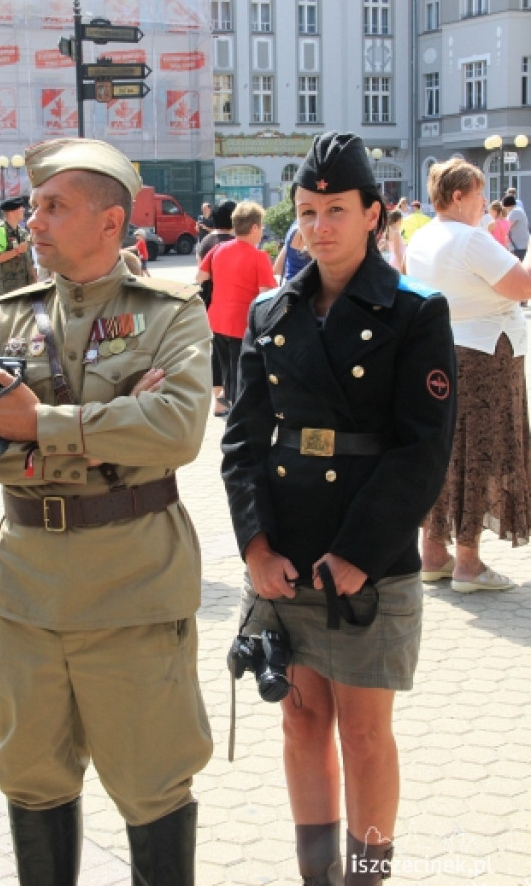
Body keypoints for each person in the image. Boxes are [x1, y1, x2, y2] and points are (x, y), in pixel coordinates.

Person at [0, 137, 213, 886]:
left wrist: (39, 426)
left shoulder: (170, 315)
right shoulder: (5, 320)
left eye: (53, 206)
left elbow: (178, 430)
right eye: (35, 205)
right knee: (31, 778)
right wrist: (115, 421)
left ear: (109, 221)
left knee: (153, 785)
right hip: (27, 595)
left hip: (132, 589)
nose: (32, 221)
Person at [221, 132, 456, 885]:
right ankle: (315, 874)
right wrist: (255, 547)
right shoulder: (270, 312)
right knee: (300, 720)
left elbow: (423, 449)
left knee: (363, 733)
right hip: (287, 556)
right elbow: (242, 442)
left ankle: (366, 876)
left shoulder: (415, 311)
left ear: (373, 214)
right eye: (307, 211)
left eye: (336, 211)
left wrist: (359, 552)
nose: (319, 227)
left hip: (366, 556)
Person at [406, 157, 531, 592]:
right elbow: (522, 287)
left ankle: (434, 554)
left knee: (446, 452)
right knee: (479, 454)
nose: (483, 201)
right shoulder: (470, 240)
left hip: (442, 350)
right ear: (458, 196)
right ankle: (469, 564)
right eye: (479, 193)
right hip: (485, 354)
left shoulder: (423, 236)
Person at [197, 201, 277, 410]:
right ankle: (237, 412)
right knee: (241, 373)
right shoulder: (259, 257)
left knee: (227, 369)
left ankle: (230, 404)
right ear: (254, 227)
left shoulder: (218, 249)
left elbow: (201, 276)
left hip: (217, 319)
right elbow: (266, 295)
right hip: (242, 322)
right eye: (262, 227)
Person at [195, 200, 236, 417]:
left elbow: (200, 274)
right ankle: (231, 397)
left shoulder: (205, 242)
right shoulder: (236, 243)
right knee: (235, 352)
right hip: (233, 304)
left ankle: (218, 402)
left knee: (217, 353)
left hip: (210, 303)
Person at [0, 196, 37, 295]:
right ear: (11, 212)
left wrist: (35, 279)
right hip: (10, 290)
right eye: (20, 207)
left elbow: (29, 259)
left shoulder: (22, 232)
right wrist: (17, 251)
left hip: (27, 287)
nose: (23, 209)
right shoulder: (0, 231)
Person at [502, 191, 529, 261]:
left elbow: (505, 227)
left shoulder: (515, 212)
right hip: (518, 246)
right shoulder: (517, 211)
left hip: (519, 247)